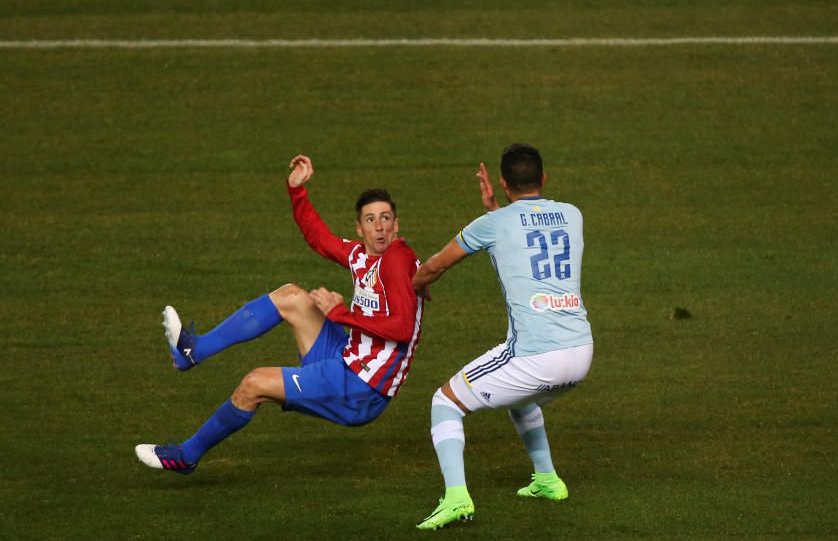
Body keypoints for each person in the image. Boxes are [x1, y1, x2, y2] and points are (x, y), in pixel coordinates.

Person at [135, 154, 424, 474]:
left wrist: (340, 314)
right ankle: (193, 350)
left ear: (396, 225)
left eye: (386, 218)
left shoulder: (398, 262)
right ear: (360, 228)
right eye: (371, 219)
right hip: (344, 358)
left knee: (254, 383)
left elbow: (402, 328)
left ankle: (185, 456)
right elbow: (318, 239)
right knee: (291, 296)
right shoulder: (361, 255)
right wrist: (296, 190)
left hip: (359, 389)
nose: (380, 226)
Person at [412, 143, 594, 530]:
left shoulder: (491, 224)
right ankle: (547, 480)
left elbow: (434, 266)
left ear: (504, 183)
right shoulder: (572, 215)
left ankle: (456, 497)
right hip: (581, 351)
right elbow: (525, 236)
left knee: (444, 401)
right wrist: (498, 209)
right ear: (543, 179)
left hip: (535, 355)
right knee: (521, 398)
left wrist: (416, 285)